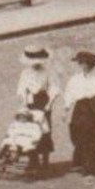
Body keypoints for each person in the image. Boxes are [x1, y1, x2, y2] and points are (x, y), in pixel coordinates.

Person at [63, 51, 95, 175]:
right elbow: (69, 94)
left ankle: (89, 164)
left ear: (93, 65)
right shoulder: (74, 80)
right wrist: (66, 109)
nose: (85, 66)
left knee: (90, 135)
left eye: (88, 64)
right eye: (83, 63)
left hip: (90, 109)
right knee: (76, 133)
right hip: (78, 109)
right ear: (79, 64)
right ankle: (79, 161)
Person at [16, 46, 55, 175]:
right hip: (30, 102)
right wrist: (24, 102)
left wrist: (49, 104)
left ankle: (45, 160)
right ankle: (33, 160)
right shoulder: (25, 73)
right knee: (29, 131)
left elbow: (53, 88)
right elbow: (21, 89)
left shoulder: (47, 72)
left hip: (43, 101)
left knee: (44, 130)